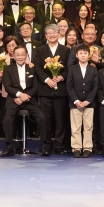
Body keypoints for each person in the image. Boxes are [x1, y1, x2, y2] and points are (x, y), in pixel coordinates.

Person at [1, 46, 47, 156]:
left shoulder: (32, 68)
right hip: (14, 99)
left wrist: (25, 96)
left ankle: (45, 146)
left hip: (29, 99)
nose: (20, 57)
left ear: (26, 55)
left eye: (22, 54)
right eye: (18, 55)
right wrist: (20, 95)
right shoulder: (8, 69)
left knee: (42, 118)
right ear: (13, 55)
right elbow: (7, 87)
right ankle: (9, 146)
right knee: (7, 119)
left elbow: (35, 87)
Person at [33, 25, 69, 156]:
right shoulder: (40, 50)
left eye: (54, 32)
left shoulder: (66, 50)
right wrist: (47, 80)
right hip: (45, 90)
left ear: (59, 34)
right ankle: (46, 145)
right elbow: (37, 68)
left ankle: (59, 145)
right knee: (45, 120)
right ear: (45, 36)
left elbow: (69, 68)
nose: (52, 35)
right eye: (49, 33)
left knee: (60, 120)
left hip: (61, 90)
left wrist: (61, 77)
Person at [66, 44, 100, 157]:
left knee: (88, 126)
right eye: (80, 53)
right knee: (75, 127)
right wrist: (76, 101)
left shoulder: (93, 69)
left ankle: (87, 148)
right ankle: (76, 148)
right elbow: (69, 86)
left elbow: (95, 86)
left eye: (85, 53)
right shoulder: (72, 69)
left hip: (89, 103)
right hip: (75, 103)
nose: (83, 55)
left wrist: (88, 101)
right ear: (76, 55)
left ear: (89, 55)